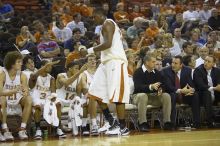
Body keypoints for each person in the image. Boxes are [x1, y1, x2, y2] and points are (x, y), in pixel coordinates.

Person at [83, 8, 130, 136]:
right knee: (94, 92)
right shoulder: (105, 26)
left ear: (100, 15)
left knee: (118, 97)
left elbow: (108, 44)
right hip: (106, 63)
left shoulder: (108, 23)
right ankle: (111, 121)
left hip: (115, 61)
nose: (93, 20)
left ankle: (123, 127)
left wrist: (89, 50)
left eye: (94, 17)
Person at [133, 55, 172, 132]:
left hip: (153, 96)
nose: (155, 63)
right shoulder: (138, 72)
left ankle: (167, 122)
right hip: (138, 96)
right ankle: (143, 123)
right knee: (143, 96)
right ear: (147, 62)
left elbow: (162, 85)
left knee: (166, 95)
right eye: (153, 62)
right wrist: (151, 86)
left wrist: (160, 91)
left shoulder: (157, 73)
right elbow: (138, 87)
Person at [29, 60, 66, 139]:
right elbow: (33, 79)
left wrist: (53, 98)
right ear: (42, 66)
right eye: (48, 66)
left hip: (47, 99)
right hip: (37, 98)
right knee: (37, 106)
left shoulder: (51, 78)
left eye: (50, 66)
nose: (50, 67)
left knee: (58, 104)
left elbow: (53, 92)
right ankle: (38, 129)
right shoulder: (34, 75)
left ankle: (57, 128)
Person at [0, 51, 32, 140]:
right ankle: (5, 129)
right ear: (11, 64)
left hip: (17, 100)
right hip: (4, 101)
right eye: (18, 62)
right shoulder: (3, 75)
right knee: (2, 98)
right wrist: (14, 90)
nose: (21, 64)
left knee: (29, 99)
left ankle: (22, 128)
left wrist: (25, 92)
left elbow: (25, 90)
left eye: (21, 61)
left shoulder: (23, 75)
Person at [162, 55, 201, 128]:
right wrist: (181, 90)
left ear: (181, 65)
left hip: (184, 94)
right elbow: (168, 86)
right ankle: (171, 123)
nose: (173, 65)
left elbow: (191, 84)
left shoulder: (187, 70)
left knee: (195, 95)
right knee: (172, 96)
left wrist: (191, 90)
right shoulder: (165, 71)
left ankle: (197, 122)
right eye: (172, 63)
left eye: (175, 63)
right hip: (173, 93)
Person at [56, 61, 87, 136]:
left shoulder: (78, 79)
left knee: (81, 101)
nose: (78, 70)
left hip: (71, 101)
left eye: (78, 69)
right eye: (76, 68)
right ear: (69, 69)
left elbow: (79, 94)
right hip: (61, 100)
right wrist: (80, 72)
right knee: (58, 103)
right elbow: (66, 82)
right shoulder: (61, 75)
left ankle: (82, 126)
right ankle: (58, 127)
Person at [194, 55, 220, 127]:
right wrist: (214, 88)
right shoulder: (198, 70)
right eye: (205, 61)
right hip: (201, 95)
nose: (206, 63)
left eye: (209, 62)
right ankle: (210, 121)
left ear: (213, 63)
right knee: (207, 93)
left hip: (215, 94)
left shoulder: (217, 71)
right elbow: (200, 85)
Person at [78, 54, 99, 136]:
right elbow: (84, 86)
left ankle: (84, 125)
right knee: (89, 99)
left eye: (94, 59)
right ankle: (93, 125)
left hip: (100, 95)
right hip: (88, 95)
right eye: (90, 59)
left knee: (91, 98)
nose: (93, 61)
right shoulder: (84, 73)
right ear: (86, 63)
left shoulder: (99, 71)